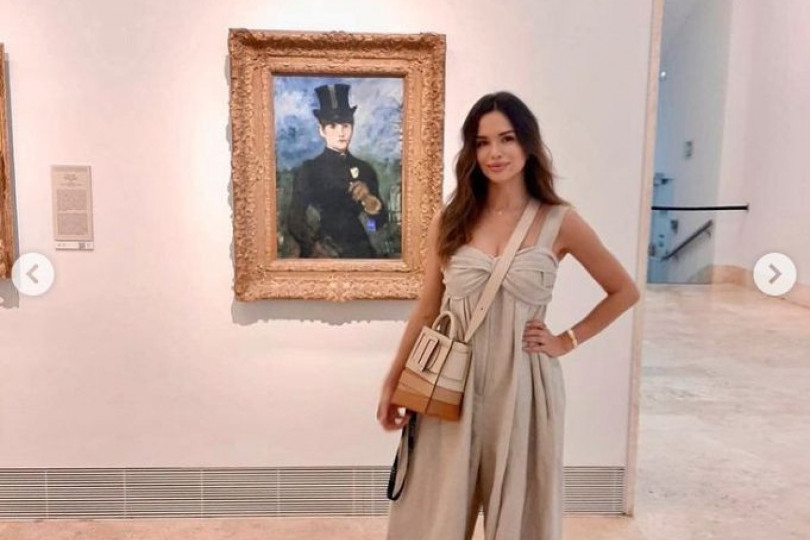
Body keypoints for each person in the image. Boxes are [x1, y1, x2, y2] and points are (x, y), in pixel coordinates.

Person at [377, 91, 640, 540]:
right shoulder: (453, 219)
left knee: (522, 518)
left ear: (528, 143)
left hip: (524, 383)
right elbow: (427, 307)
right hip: (449, 382)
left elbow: (624, 291)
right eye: (482, 142)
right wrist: (393, 381)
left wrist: (566, 340)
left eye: (507, 138)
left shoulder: (560, 221)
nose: (494, 153)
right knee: (434, 514)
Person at [286, 83, 388, 258]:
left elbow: (375, 226)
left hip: (360, 251)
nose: (341, 133)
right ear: (322, 130)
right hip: (323, 250)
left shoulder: (365, 170)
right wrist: (313, 247)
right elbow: (295, 220)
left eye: (346, 125)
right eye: (333, 126)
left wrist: (372, 207)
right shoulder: (309, 170)